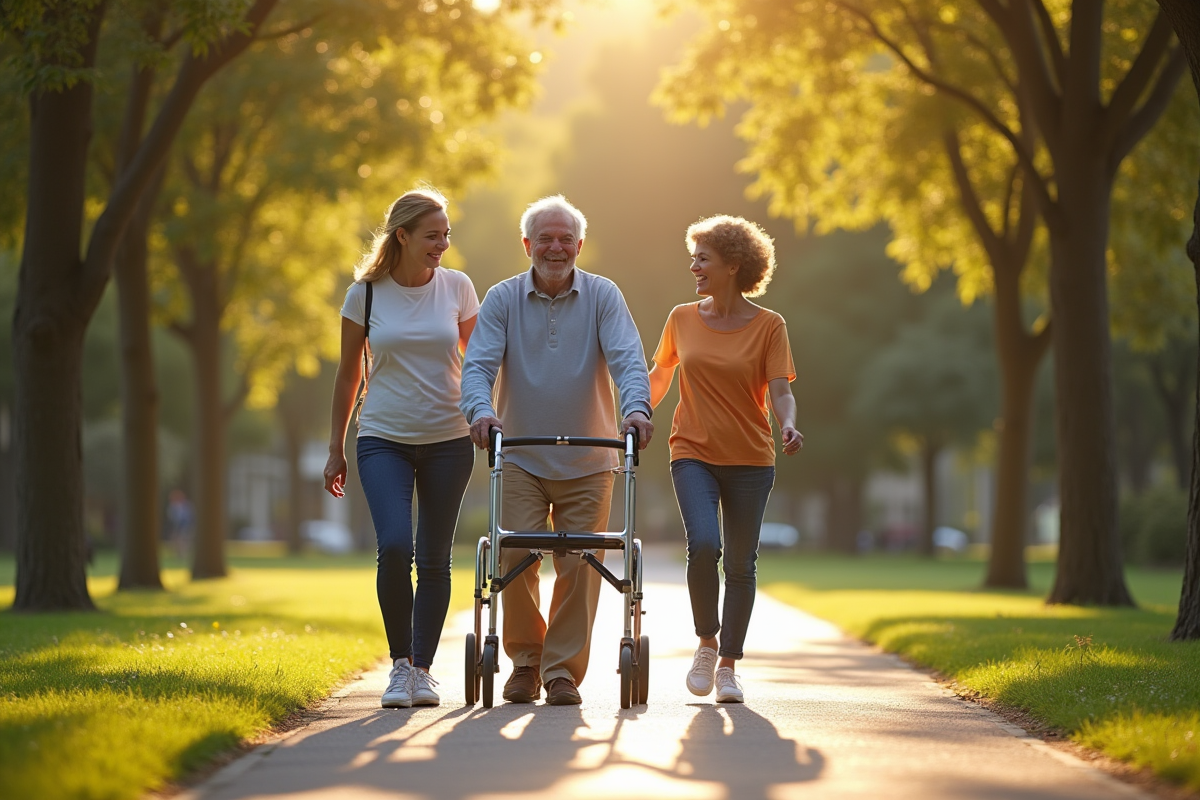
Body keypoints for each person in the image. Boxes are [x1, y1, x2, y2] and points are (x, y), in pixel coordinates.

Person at [460, 195, 653, 706]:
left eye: (566, 238)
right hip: (520, 455)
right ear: (527, 245)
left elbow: (628, 360)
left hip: (591, 459)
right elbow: (477, 366)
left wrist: (637, 410)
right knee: (515, 552)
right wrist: (480, 411)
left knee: (582, 565)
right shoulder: (502, 298)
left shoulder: (603, 296)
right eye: (544, 238)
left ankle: (561, 671)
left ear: (580, 245)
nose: (555, 247)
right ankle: (526, 662)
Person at [324, 188, 479, 709]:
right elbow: (348, 375)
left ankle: (423, 669)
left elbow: (478, 364)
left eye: (447, 234)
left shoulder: (457, 288)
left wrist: (489, 415)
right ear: (403, 236)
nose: (443, 243)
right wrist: (335, 447)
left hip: (449, 440)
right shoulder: (364, 294)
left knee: (434, 559)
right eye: (433, 235)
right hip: (382, 437)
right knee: (394, 545)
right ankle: (398, 667)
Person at [649, 214, 802, 704]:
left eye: (703, 259)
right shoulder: (681, 318)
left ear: (733, 266)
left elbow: (780, 389)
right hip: (691, 450)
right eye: (693, 258)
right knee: (704, 544)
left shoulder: (769, 325)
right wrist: (631, 413)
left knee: (740, 564)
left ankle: (730, 665)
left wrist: (788, 423)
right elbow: (659, 374)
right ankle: (706, 643)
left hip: (752, 459)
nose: (694, 266)